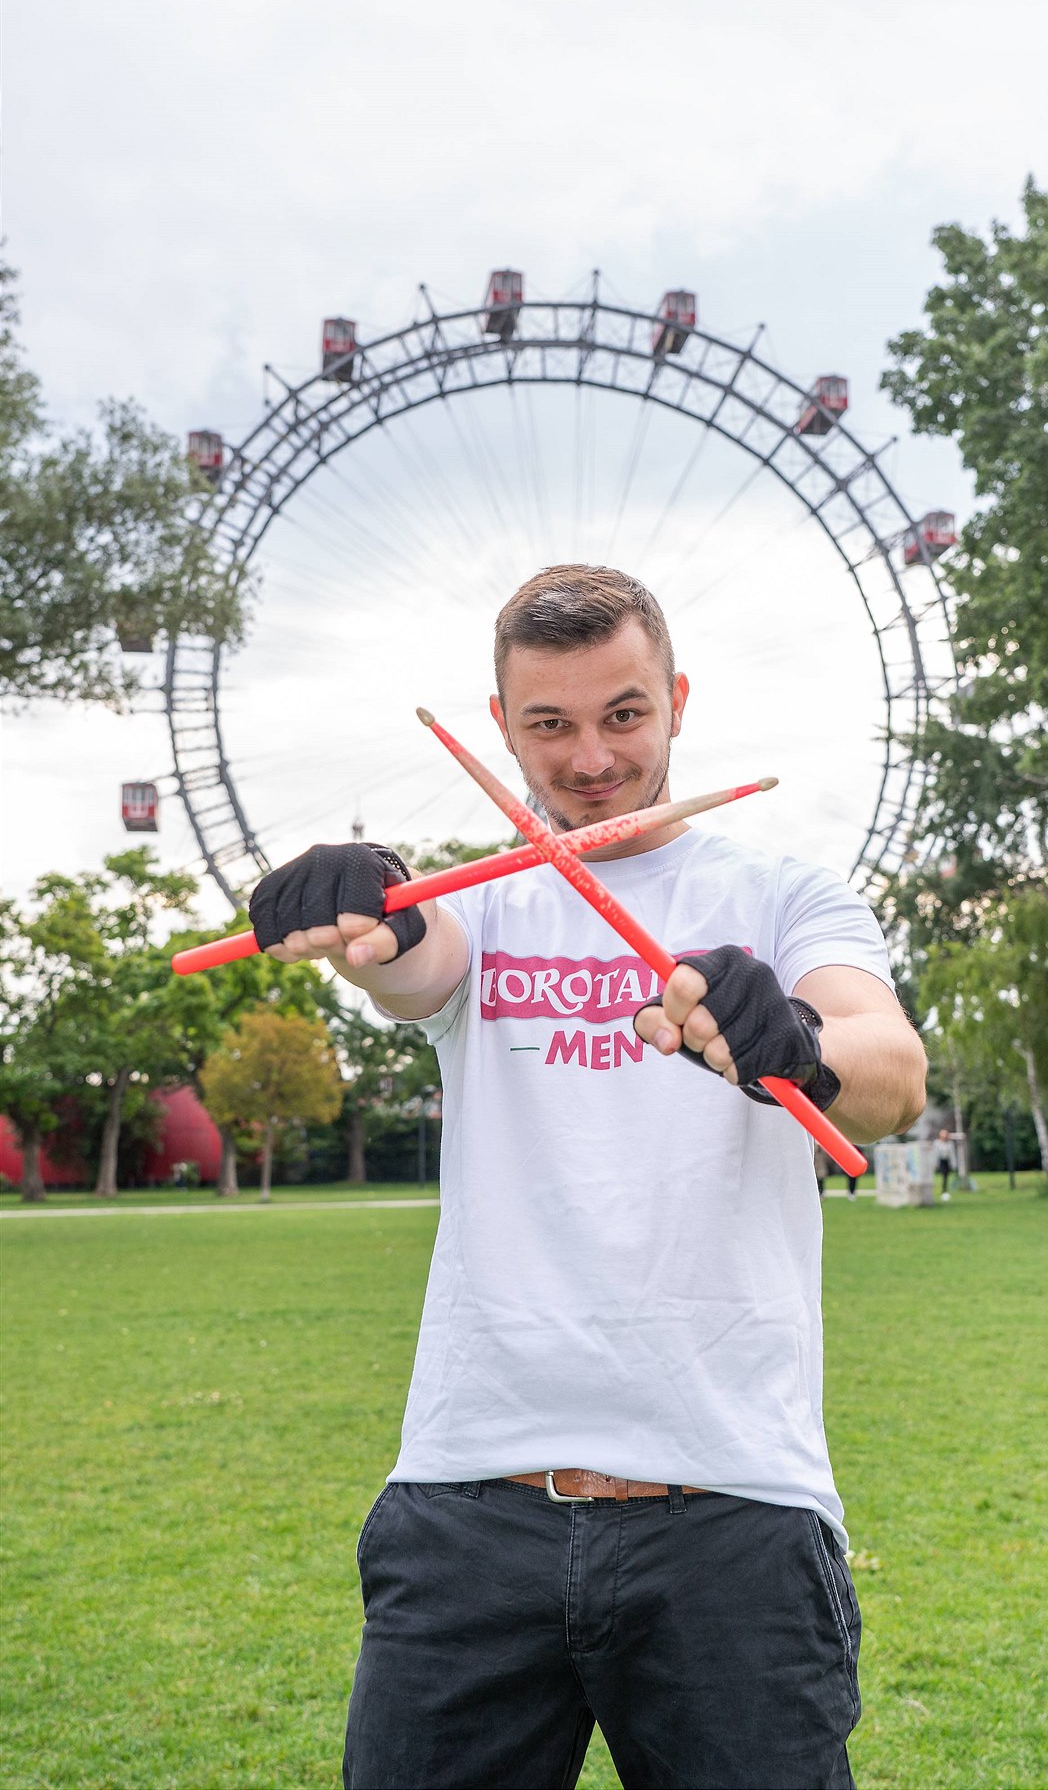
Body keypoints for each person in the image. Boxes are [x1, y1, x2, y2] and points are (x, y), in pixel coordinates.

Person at [249, 566, 927, 1790]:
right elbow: (409, 959)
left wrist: (800, 1048)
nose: (592, 757)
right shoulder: (479, 903)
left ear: (675, 700)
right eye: (550, 725)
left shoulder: (784, 898)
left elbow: (893, 1070)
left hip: (732, 1508)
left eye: (623, 714)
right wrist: (365, 906)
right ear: (500, 727)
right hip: (470, 1509)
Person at [934, 1126, 955, 1200]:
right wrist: (935, 1163)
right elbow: (935, 1154)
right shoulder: (937, 1143)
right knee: (943, 1173)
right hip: (940, 1161)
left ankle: (944, 1190)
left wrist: (953, 1164)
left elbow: (952, 1155)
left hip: (947, 1161)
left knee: (946, 1175)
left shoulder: (950, 1144)